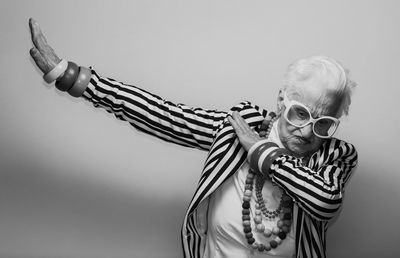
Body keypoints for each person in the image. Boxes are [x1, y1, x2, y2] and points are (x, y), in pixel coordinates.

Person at [28, 18, 358, 258]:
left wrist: (260, 152)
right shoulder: (240, 126)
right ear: (282, 100)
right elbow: (166, 116)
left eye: (323, 122)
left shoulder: (335, 155)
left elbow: (326, 202)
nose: (306, 130)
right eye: (300, 113)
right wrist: (69, 76)